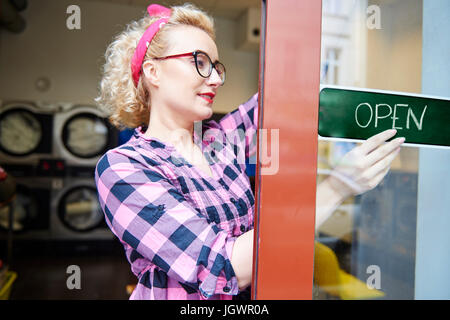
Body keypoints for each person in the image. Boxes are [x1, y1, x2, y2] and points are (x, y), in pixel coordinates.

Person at [94, 3, 404, 300]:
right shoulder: (123, 168)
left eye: (216, 67)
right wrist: (338, 186)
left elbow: (281, 94)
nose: (215, 79)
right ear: (153, 72)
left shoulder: (217, 140)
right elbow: (224, 267)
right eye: (199, 62)